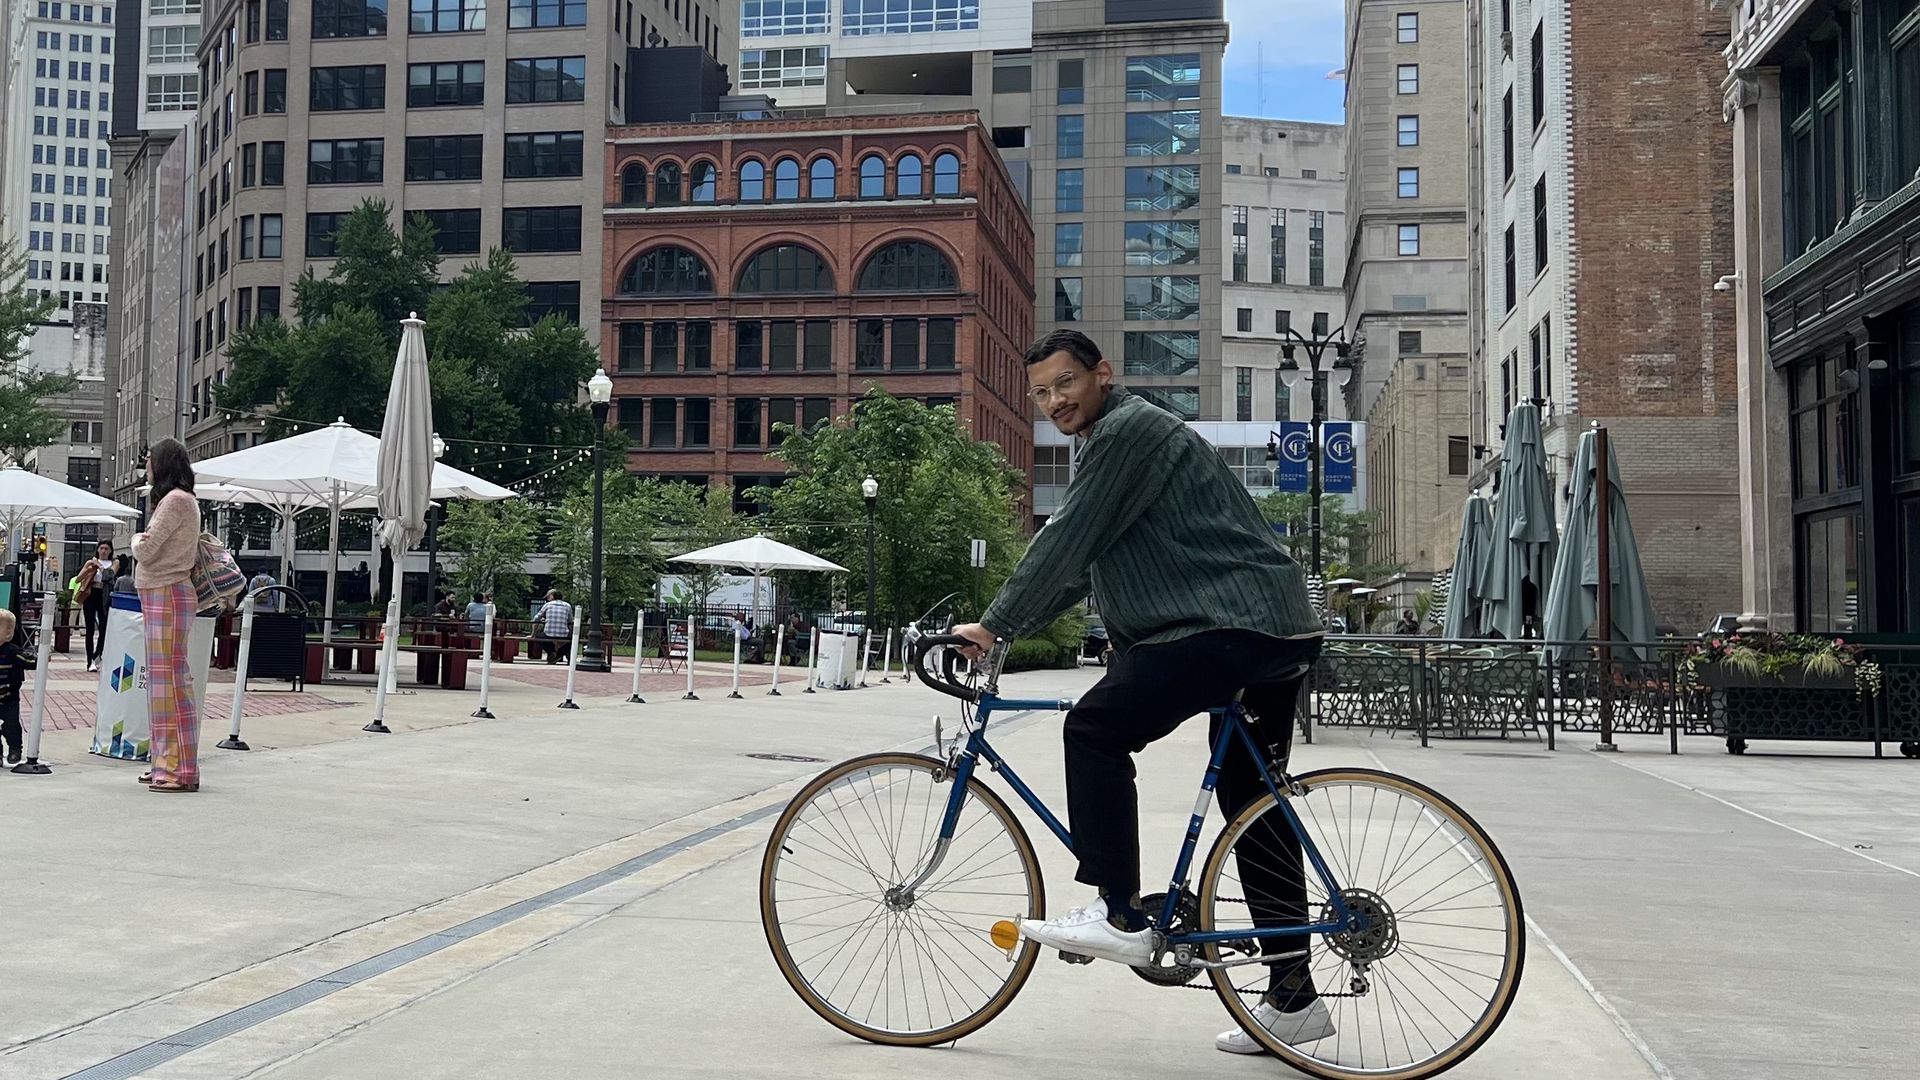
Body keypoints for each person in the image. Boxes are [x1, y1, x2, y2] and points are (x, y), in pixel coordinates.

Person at [951, 330, 1328, 1053]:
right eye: (1041, 393)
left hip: (1228, 624)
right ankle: (1293, 998)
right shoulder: (1118, 438)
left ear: (1102, 373)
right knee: (1252, 804)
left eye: (1065, 383)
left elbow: (1067, 538)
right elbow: (1082, 565)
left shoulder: (1127, 431)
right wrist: (1016, 622)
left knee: (1095, 729)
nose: (1055, 401)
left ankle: (1118, 913)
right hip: (1269, 627)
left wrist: (995, 626)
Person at [131, 438, 204, 794]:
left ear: (161, 464)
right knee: (165, 683)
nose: (146, 467)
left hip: (167, 591)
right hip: (167, 592)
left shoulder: (175, 500)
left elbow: (146, 550)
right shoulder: (181, 499)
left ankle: (177, 769)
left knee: (170, 683)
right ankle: (166, 764)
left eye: (149, 461)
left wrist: (135, 539)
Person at [75, 539, 116, 671]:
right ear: (97, 549)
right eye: (101, 548)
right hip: (91, 594)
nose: (103, 551)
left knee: (104, 627)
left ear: (110, 551)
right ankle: (89, 661)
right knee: (90, 629)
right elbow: (78, 579)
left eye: (106, 549)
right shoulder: (90, 562)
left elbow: (109, 576)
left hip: (104, 595)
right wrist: (89, 568)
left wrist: (100, 566)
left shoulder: (114, 562)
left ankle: (97, 654)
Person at [0, 609, 33, 766]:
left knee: (11, 725)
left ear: (8, 633)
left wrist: (39, 659)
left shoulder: (12, 651)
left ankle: (15, 748)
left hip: (9, 698)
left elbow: (27, 661)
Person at [534, 589, 572, 664]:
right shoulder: (568, 606)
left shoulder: (547, 605)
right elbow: (570, 621)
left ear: (552, 596)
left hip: (548, 634)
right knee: (570, 641)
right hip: (564, 634)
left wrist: (533, 634)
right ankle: (558, 655)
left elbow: (536, 619)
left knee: (538, 637)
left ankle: (552, 653)